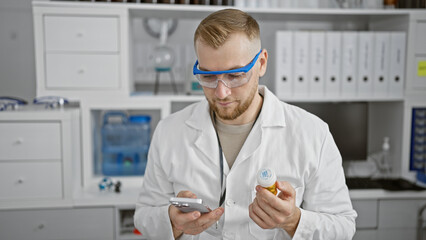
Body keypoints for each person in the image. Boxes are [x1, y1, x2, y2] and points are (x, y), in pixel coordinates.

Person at [134, 8, 357, 240]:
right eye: (208, 76)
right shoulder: (169, 131)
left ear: (261, 63)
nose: (221, 92)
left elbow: (343, 226)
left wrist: (294, 221)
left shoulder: (313, 134)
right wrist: (173, 222)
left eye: (235, 75)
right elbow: (144, 216)